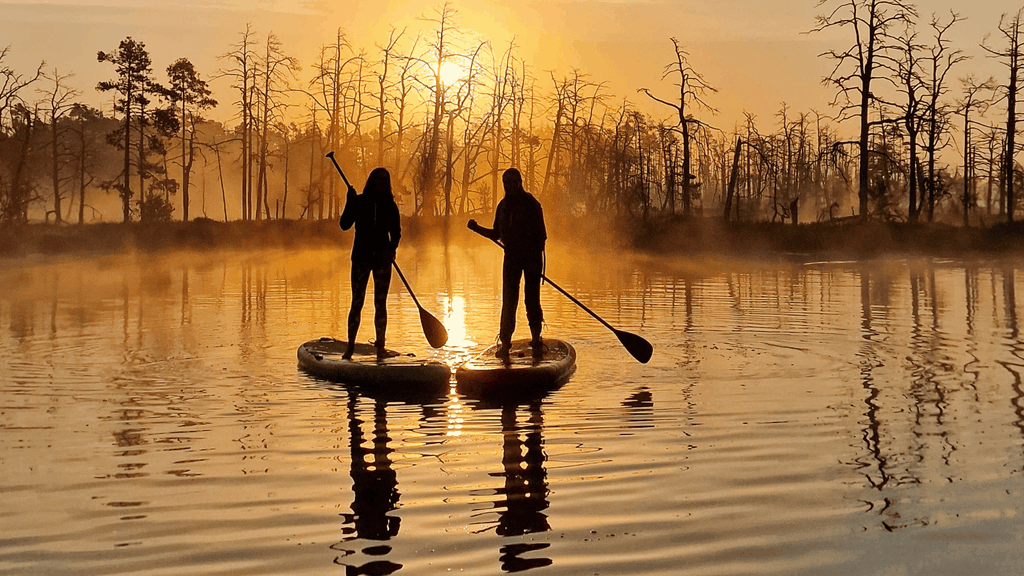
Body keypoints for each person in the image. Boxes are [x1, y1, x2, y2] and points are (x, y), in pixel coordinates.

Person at [468, 168, 547, 360]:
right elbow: (497, 234)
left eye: (514, 183)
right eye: (507, 183)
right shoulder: (503, 206)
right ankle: (505, 344)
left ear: (520, 182)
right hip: (511, 258)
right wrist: (477, 229)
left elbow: (542, 237)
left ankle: (536, 339)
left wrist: (534, 261)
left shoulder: (531, 204)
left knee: (531, 300)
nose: (510, 186)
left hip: (531, 259)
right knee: (509, 302)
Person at [340, 167, 402, 361]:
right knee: (357, 302)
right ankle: (350, 347)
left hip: (382, 260)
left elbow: (397, 232)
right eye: (377, 181)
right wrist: (349, 202)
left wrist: (392, 249)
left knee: (380, 303)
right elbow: (344, 224)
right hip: (361, 258)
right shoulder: (359, 202)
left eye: (384, 182)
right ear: (371, 182)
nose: (380, 185)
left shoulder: (390, 206)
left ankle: (380, 347)